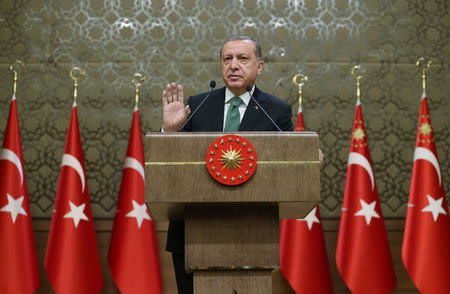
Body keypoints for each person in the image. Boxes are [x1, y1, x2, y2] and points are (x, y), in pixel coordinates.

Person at [162, 36, 294, 294]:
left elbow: (289, 164)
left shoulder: (277, 111)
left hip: (253, 235)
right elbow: (169, 168)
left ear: (260, 66)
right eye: (227, 59)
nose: (233, 65)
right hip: (192, 235)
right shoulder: (196, 106)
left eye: (243, 59)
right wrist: (169, 132)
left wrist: (310, 156)